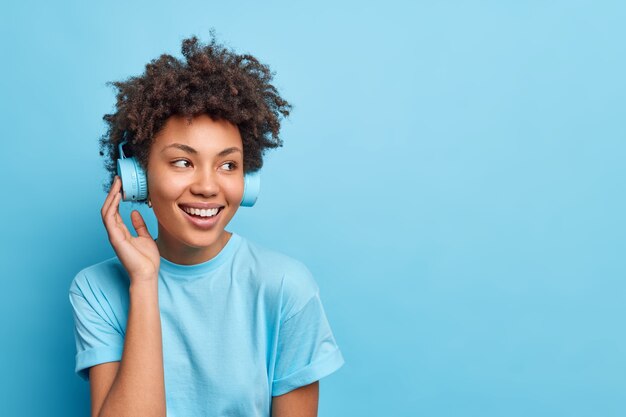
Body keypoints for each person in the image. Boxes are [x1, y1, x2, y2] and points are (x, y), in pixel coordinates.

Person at [68, 34, 345, 417]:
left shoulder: (286, 289)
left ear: (246, 181)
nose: (207, 186)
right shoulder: (96, 290)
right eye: (183, 162)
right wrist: (145, 282)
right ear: (139, 179)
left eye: (228, 165)